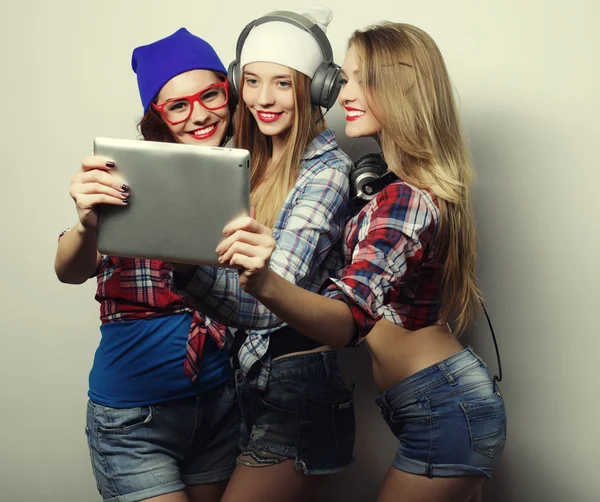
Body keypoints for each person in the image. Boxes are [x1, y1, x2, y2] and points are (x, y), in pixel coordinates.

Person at [215, 22, 507, 502]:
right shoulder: (391, 184)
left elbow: (347, 322)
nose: (342, 93)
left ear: (401, 90)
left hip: (445, 406)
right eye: (344, 78)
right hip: (435, 401)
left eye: (359, 80)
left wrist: (264, 280)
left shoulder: (404, 201)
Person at [173, 7, 356, 502]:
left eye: (282, 84)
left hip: (295, 388)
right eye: (251, 81)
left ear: (316, 89)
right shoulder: (243, 162)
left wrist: (184, 267)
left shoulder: (328, 174)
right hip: (238, 382)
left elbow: (261, 307)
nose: (262, 99)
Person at [54, 28, 239, 502]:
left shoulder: (252, 181)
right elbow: (69, 269)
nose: (199, 114)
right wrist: (86, 225)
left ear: (228, 93)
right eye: (177, 104)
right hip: (134, 420)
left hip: (218, 407)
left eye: (210, 95)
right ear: (157, 115)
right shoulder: (124, 178)